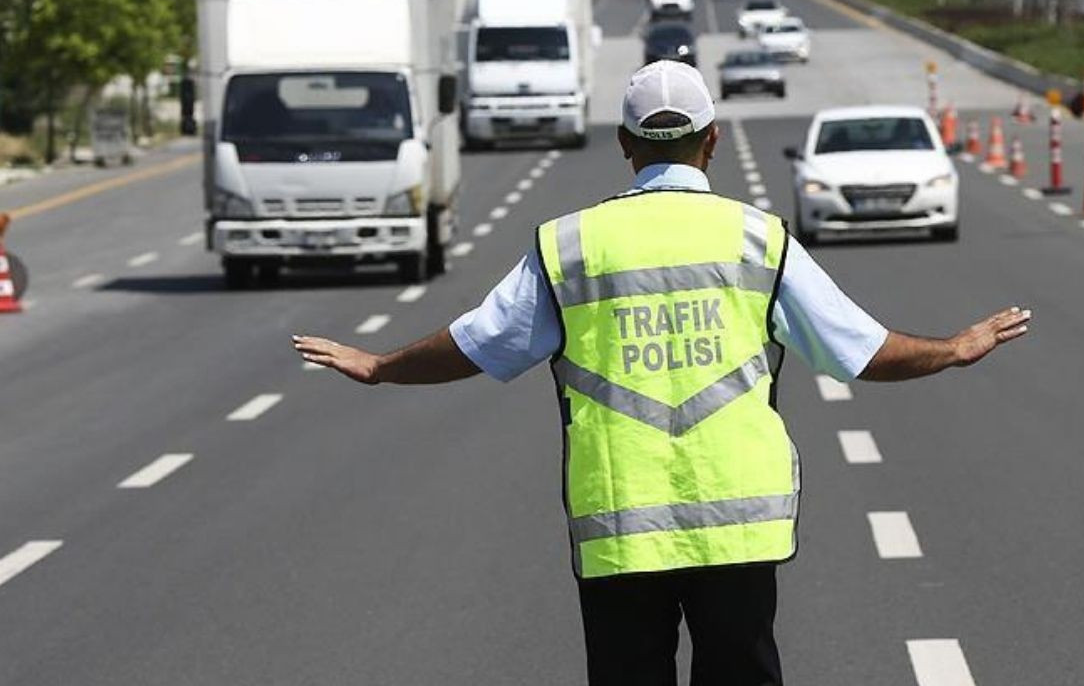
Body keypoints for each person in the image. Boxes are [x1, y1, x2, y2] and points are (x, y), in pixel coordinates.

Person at [293, 60, 1031, 685]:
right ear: (711, 140)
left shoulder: (571, 245)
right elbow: (859, 351)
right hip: (739, 525)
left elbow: (480, 343)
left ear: (625, 145)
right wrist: (953, 349)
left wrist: (381, 365)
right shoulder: (757, 238)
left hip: (621, 523)